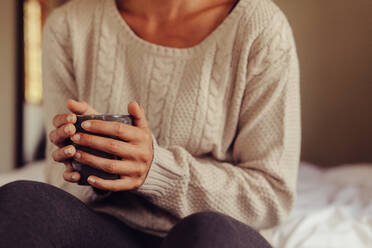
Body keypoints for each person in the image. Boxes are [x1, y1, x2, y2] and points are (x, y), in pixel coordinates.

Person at [0, 0, 300, 247]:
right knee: (22, 200)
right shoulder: (68, 25)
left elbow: (272, 195)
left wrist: (158, 171)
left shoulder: (259, 27)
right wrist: (91, 161)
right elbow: (59, 180)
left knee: (208, 234)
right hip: (109, 231)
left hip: (213, 233)